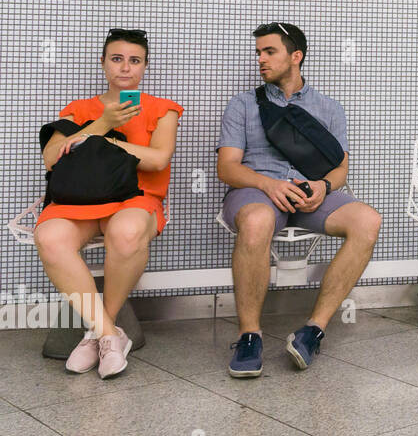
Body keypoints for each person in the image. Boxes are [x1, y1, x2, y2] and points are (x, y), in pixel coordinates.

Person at [217, 22, 381, 378]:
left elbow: (340, 171)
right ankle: (249, 337)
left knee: (368, 221)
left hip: (310, 196)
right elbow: (227, 168)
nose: (260, 59)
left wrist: (323, 186)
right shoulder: (243, 105)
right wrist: (268, 185)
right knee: (259, 221)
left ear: (296, 56)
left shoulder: (330, 108)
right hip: (256, 193)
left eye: (269, 51)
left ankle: (313, 330)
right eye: (258, 52)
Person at [33, 28, 183, 377]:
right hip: (80, 198)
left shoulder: (162, 109)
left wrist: (103, 142)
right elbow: (52, 158)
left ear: (145, 66)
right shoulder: (80, 109)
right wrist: (102, 123)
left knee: (127, 231)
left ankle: (101, 331)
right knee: (50, 237)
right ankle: (107, 334)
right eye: (117, 59)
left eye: (135, 61)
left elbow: (158, 159)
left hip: (135, 198)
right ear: (103, 63)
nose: (125, 68)